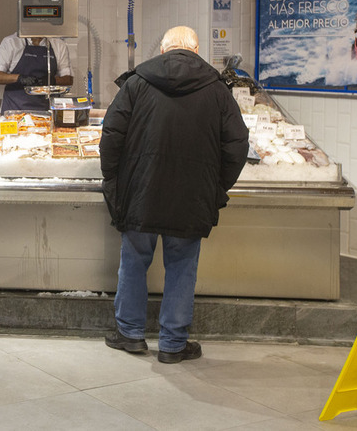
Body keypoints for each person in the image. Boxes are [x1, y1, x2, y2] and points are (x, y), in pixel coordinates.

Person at [100, 25, 248, 363]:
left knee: (134, 260)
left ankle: (131, 334)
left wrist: (114, 181)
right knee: (182, 265)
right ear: (195, 51)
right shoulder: (217, 89)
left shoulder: (137, 83)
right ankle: (172, 344)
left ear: (164, 51)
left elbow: (111, 136)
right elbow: (238, 146)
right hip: (193, 195)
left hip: (141, 189)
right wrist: (216, 186)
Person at [0, 34, 73, 112]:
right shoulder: (11, 42)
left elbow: (68, 80)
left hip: (47, 109)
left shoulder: (58, 44)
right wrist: (20, 78)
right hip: (14, 109)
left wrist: (52, 81)